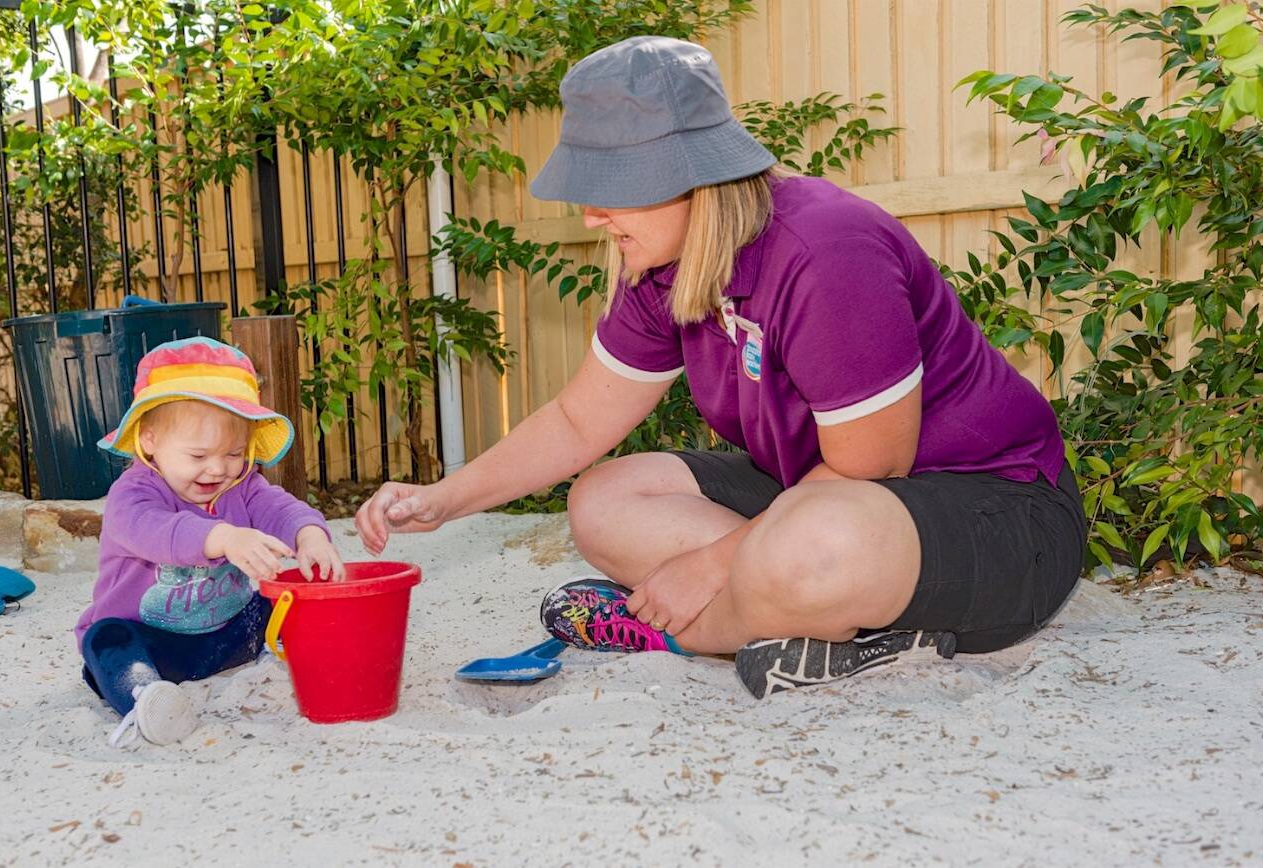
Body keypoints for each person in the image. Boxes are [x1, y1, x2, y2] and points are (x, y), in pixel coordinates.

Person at [356, 36, 1086, 699]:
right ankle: (806, 625)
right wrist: (445, 500)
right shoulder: (661, 265)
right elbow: (579, 421)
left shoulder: (827, 253)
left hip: (1001, 518)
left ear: (691, 177)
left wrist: (711, 566)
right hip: (822, 493)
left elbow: (874, 465)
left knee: (812, 546)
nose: (590, 216)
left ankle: (681, 629)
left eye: (612, 185)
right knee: (604, 500)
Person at [77, 337, 345, 745]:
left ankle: (291, 658)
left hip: (230, 632)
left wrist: (309, 535)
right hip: (153, 643)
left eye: (234, 453)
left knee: (286, 602)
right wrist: (223, 537)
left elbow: (280, 508)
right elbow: (156, 530)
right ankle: (146, 697)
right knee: (105, 640)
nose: (218, 469)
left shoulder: (242, 485)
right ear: (150, 441)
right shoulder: (131, 494)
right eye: (198, 456)